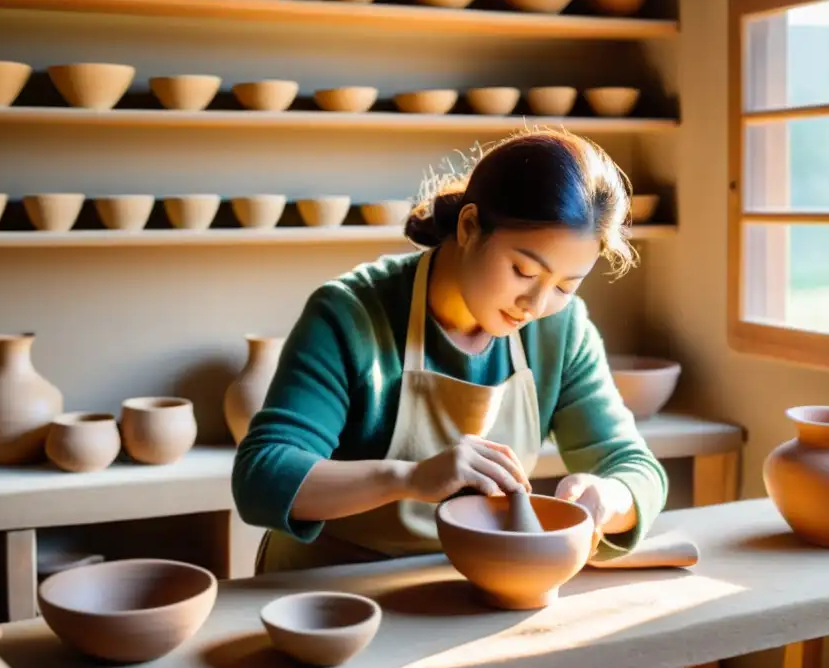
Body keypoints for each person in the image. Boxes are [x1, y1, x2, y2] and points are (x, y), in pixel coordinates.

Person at [232, 127, 668, 577]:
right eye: (522, 270)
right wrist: (409, 477)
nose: (535, 305)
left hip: (466, 584)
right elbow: (262, 477)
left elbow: (635, 467)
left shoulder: (561, 329)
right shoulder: (351, 314)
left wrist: (609, 498)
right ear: (469, 227)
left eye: (563, 285)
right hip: (327, 592)